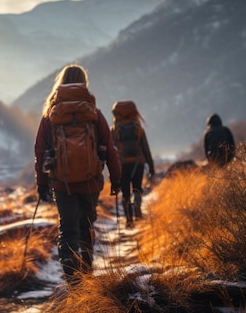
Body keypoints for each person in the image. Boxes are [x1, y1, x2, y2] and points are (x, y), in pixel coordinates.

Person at [34, 64, 121, 282]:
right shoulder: (93, 113)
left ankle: (72, 279)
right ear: (84, 83)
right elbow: (110, 148)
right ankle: (87, 271)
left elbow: (39, 150)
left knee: (68, 228)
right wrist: (117, 180)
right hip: (91, 181)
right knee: (86, 226)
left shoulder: (50, 114)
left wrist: (42, 183)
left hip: (62, 183)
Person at [110, 101, 155, 228]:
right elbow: (145, 148)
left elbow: (111, 150)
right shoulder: (138, 128)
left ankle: (129, 220)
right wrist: (151, 166)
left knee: (125, 192)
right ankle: (137, 205)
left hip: (122, 164)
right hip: (138, 164)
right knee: (137, 187)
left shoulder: (114, 129)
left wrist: (111, 169)